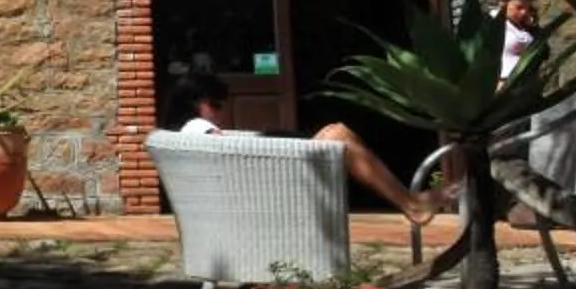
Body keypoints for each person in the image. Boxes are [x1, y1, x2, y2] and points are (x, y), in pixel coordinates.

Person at [166, 71, 438, 224]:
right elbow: (235, 159)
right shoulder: (196, 129)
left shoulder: (186, 133)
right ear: (196, 102)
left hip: (263, 192)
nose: (222, 111)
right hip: (274, 196)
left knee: (334, 131)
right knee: (339, 135)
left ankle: (409, 201)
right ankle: (410, 203)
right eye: (216, 104)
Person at [497, 0, 541, 82]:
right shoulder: (493, 24)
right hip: (503, 84)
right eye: (519, 7)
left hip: (529, 83)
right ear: (503, 2)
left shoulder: (528, 26)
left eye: (527, 7)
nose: (524, 12)